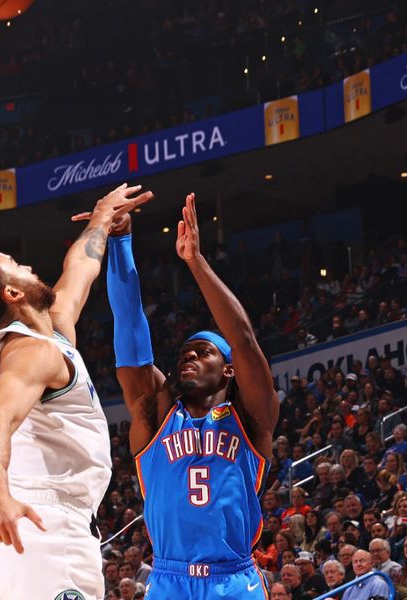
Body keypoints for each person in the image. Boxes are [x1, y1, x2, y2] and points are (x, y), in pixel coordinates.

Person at [0, 182, 152, 600]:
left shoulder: (53, 332)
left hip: (20, 537)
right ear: (14, 292)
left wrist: (101, 220)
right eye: (16, 265)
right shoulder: (31, 353)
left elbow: (81, 268)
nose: (28, 266)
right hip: (43, 529)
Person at [105, 193, 278, 597]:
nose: (190, 358)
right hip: (169, 578)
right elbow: (129, 330)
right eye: (184, 354)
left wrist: (195, 262)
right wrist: (120, 243)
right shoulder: (156, 413)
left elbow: (245, 339)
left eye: (204, 353)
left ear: (229, 368)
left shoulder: (252, 417)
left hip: (234, 579)